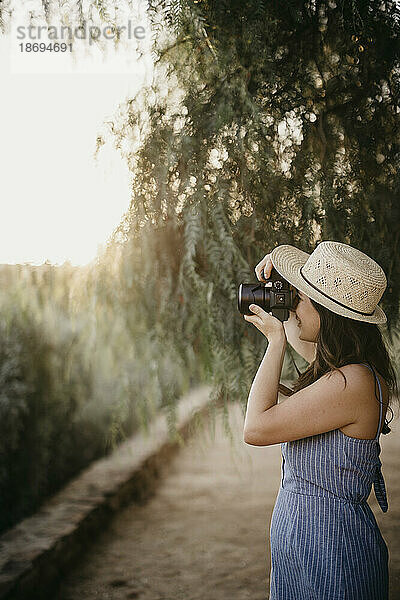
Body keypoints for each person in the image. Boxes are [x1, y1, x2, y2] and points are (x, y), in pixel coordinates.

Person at [242, 241, 398, 600]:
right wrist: (285, 281)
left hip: (335, 552)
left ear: (328, 314)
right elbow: (302, 330)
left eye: (300, 300)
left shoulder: (354, 383)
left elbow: (256, 427)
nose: (293, 307)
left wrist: (274, 342)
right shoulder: (340, 372)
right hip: (303, 548)